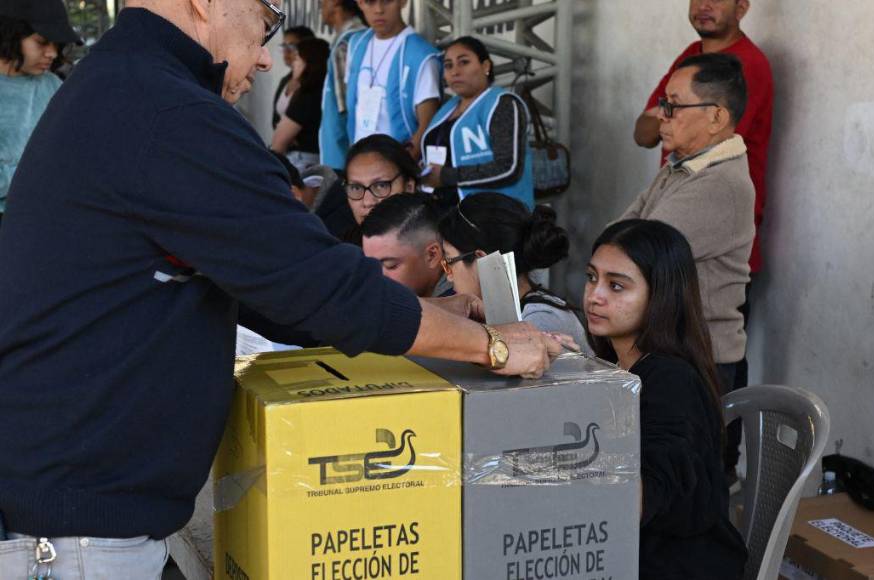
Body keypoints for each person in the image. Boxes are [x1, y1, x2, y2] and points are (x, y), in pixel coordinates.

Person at [0, 1, 563, 576]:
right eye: (264, 22)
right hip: (75, 538)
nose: (266, 58)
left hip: (83, 514)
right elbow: (317, 286)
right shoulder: (166, 111)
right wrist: (492, 345)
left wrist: (430, 312)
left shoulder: (124, 87)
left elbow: (272, 286)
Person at [584, 218, 747, 579]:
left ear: (660, 295)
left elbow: (640, 499)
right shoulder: (616, 367)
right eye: (592, 278)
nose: (595, 295)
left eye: (616, 286)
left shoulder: (672, 381)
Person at [618, 53, 754, 427]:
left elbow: (636, 255)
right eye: (664, 104)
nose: (661, 116)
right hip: (671, 350)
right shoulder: (680, 168)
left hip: (699, 357)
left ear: (716, 118)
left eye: (673, 106)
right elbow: (614, 238)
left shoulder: (720, 184)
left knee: (680, 461)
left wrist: (620, 251)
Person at [634, 0, 772, 277]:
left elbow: (704, 146)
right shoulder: (691, 58)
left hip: (711, 233)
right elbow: (643, 133)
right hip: (671, 212)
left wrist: (660, 114)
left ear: (741, 8)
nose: (704, 5)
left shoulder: (748, 65)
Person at [438, 192, 593, 355]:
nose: (448, 276)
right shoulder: (508, 315)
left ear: (482, 260)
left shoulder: (539, 322)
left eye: (449, 262)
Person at [420, 36, 533, 208]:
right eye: (448, 65)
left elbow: (509, 168)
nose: (455, 71)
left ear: (486, 66)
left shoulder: (502, 103)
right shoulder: (446, 108)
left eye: (464, 62)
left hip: (495, 214)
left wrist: (445, 176)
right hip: (446, 212)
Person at [0, 0, 81, 228]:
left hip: (46, 220)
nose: (52, 53)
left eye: (57, 44)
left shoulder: (52, 85)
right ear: (10, 34)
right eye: (42, 42)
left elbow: (73, 151)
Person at [345, 0, 440, 161]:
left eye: (387, 1)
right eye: (370, 2)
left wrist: (402, 166)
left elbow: (427, 124)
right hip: (360, 160)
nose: (378, 10)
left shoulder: (421, 54)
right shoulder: (356, 44)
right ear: (360, 3)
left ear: (402, 2)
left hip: (395, 162)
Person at [316, 133, 419, 243]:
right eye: (356, 188)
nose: (368, 202)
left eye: (381, 186)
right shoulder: (339, 248)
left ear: (409, 188)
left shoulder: (431, 243)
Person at [362, 193, 453, 298]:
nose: (374, 279)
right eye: (369, 267)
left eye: (390, 265)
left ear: (432, 255)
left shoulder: (462, 302)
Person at [270, 37, 331, 171]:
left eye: (297, 58)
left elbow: (278, 144)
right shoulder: (324, 91)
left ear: (308, 63)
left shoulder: (308, 95)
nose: (293, 63)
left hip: (301, 161)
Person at [319, 0, 365, 169]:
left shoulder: (346, 43)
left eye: (323, 2)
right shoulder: (359, 37)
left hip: (344, 156)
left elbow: (346, 108)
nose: (320, 6)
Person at [271, 25, 315, 129]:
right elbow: (275, 120)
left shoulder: (314, 82)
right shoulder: (285, 81)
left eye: (292, 46)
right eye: (284, 46)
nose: (286, 51)